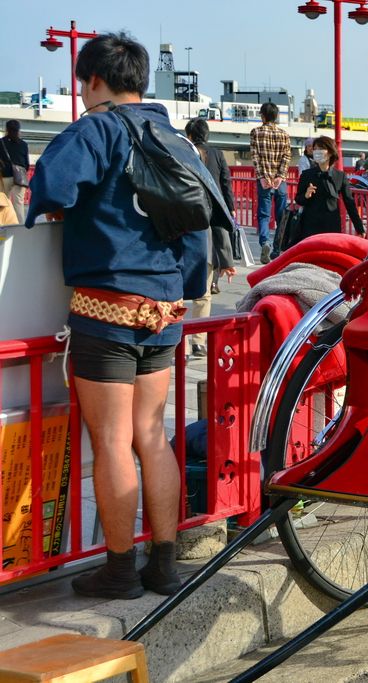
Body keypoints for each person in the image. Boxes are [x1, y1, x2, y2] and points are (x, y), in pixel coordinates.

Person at [25, 32, 211, 600]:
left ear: (94, 80)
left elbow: (51, 186)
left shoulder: (97, 129)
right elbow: (198, 234)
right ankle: (164, 564)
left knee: (109, 441)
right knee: (151, 435)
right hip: (163, 308)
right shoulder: (174, 139)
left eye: (83, 83)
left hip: (107, 309)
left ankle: (117, 568)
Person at [184, 117, 237, 357]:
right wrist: (231, 207)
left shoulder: (181, 153)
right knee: (203, 291)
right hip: (210, 224)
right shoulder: (217, 155)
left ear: (189, 135)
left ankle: (177, 337)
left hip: (185, 226)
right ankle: (198, 340)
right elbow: (226, 182)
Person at [295, 136, 365, 239]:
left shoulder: (340, 176)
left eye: (321, 149)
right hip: (310, 225)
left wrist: (359, 227)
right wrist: (306, 195)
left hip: (332, 225)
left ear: (330, 152)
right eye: (315, 149)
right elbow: (298, 200)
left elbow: (349, 202)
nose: (317, 152)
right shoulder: (306, 175)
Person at [250, 102, 290, 263]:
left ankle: (265, 242)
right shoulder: (284, 134)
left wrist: (262, 177)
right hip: (281, 183)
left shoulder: (256, 132)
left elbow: (255, 157)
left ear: (263, 116)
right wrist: (280, 176)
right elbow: (286, 157)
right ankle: (277, 248)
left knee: (264, 215)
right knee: (281, 216)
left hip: (264, 181)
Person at [1, 120, 29, 223]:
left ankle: (4, 223)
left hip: (6, 175)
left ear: (6, 129)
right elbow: (26, 163)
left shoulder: (1, 142)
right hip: (20, 177)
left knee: (4, 201)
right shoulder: (23, 144)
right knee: (19, 203)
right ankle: (20, 226)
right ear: (18, 130)